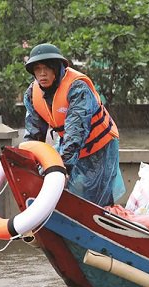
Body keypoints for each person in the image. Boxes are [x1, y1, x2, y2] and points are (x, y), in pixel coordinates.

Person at [23, 43, 125, 207]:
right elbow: (33, 136)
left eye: (47, 68)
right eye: (37, 68)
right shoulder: (31, 94)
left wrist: (62, 170)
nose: (42, 73)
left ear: (57, 68)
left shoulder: (77, 87)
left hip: (99, 147)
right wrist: (26, 164)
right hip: (67, 144)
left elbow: (76, 132)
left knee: (95, 200)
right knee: (48, 181)